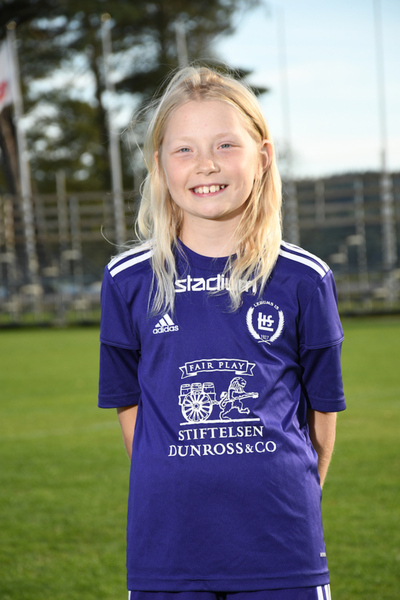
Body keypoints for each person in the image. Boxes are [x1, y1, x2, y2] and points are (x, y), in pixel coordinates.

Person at [98, 66, 345, 600]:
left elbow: (322, 418)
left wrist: (287, 495)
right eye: (184, 149)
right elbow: (130, 409)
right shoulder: (127, 280)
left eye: (225, 144)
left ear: (263, 156)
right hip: (167, 545)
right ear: (159, 164)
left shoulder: (304, 278)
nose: (205, 164)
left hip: (282, 543)